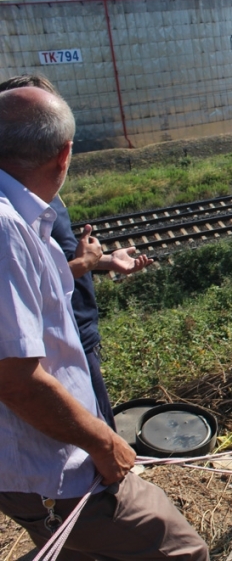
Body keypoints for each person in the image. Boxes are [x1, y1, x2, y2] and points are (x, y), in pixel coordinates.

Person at [0, 86, 208, 560]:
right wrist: (104, 442)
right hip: (54, 467)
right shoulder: (6, 227)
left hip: (32, 465)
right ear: (64, 155)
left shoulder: (23, 216)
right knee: (184, 551)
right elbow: (13, 379)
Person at [0, 74, 154, 429]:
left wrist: (101, 261)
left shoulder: (34, 196)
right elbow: (24, 286)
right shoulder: (11, 221)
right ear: (62, 152)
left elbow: (39, 265)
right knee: (92, 425)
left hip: (74, 326)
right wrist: (81, 266)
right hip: (54, 339)